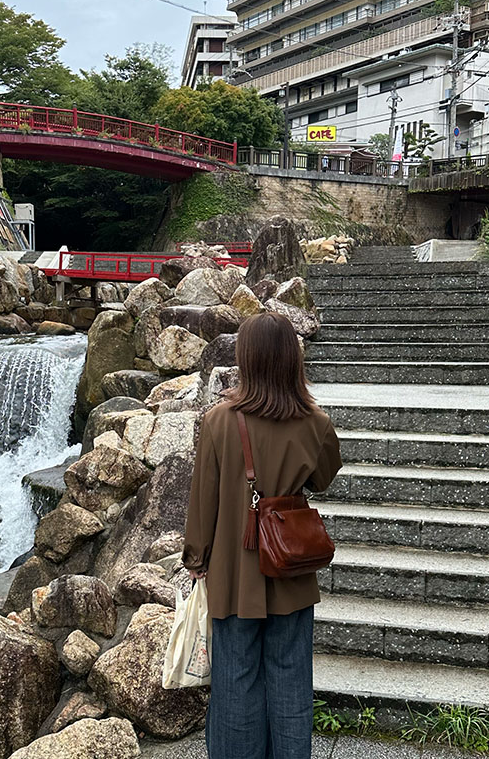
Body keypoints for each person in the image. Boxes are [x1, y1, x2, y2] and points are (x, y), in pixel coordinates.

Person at [183, 311, 342, 759]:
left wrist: (196, 560)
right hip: (290, 568)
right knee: (291, 677)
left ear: (246, 359)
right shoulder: (315, 422)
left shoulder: (219, 420)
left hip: (234, 574)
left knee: (235, 678)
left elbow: (203, 502)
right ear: (293, 359)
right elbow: (324, 478)